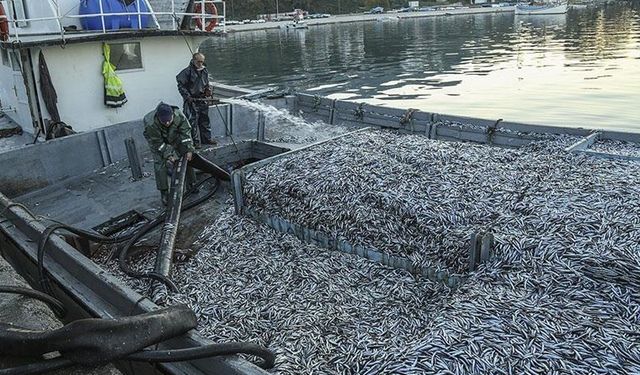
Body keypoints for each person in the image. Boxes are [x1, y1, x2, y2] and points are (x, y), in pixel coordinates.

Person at [143, 102, 196, 206]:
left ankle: (191, 183)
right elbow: (157, 143)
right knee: (159, 164)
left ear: (172, 115)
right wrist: (169, 155)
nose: (167, 123)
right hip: (158, 142)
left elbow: (186, 133)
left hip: (175, 137)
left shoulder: (179, 116)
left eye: (169, 120)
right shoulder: (150, 124)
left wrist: (189, 149)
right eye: (164, 121)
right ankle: (164, 192)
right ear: (158, 118)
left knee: (187, 156)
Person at [176, 52, 215, 147]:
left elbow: (206, 83)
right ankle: (196, 142)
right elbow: (181, 85)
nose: (200, 64)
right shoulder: (186, 72)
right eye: (198, 62)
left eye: (202, 62)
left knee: (205, 120)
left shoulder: (204, 71)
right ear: (193, 61)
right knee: (192, 123)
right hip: (191, 101)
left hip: (202, 100)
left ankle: (206, 139)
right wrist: (187, 96)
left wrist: (208, 90)